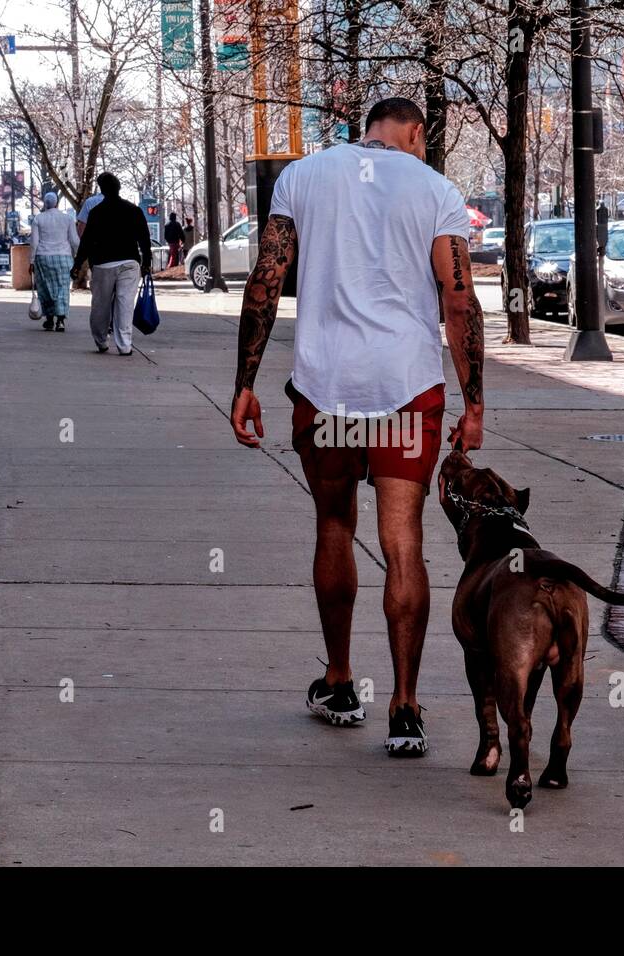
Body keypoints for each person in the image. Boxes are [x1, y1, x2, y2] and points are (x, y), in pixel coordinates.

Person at [228, 96, 484, 756]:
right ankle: (405, 706)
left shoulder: (302, 177)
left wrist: (245, 385)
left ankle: (340, 681)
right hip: (406, 389)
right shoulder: (436, 191)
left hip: (325, 387)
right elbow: (459, 301)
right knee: (402, 538)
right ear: (416, 133)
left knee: (334, 525)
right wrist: (474, 400)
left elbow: (264, 281)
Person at [72, 172, 151, 356]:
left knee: (101, 305)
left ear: (102, 190)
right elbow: (144, 239)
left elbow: (86, 241)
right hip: (129, 263)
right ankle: (125, 345)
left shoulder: (96, 213)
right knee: (124, 303)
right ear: (119, 188)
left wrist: (77, 264)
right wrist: (146, 262)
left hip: (102, 264)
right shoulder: (134, 210)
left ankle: (101, 341)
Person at [30, 192, 80, 332]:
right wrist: (78, 257)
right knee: (62, 289)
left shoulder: (38, 219)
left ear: (45, 204)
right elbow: (74, 240)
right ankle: (61, 320)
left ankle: (49, 319)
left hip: (43, 257)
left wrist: (31, 261)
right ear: (57, 203)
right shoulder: (68, 219)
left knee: (45, 288)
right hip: (63, 257)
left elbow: (34, 242)